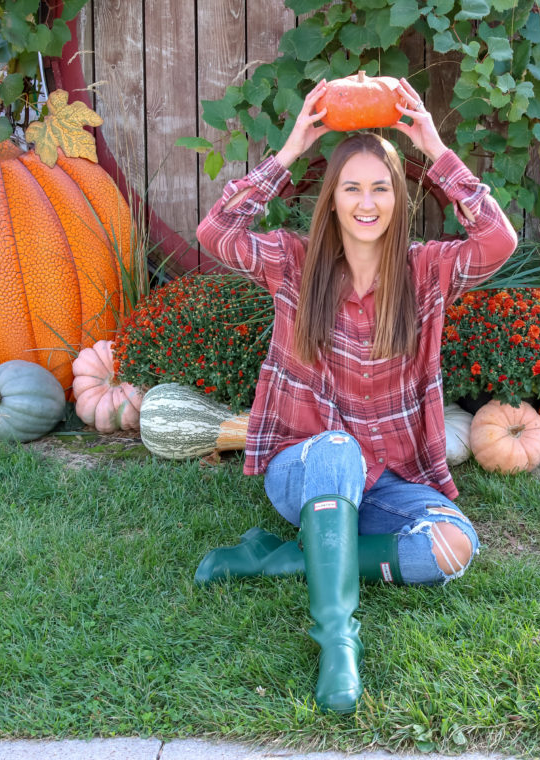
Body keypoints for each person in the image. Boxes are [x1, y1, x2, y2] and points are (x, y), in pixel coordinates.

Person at [193, 78, 518, 714]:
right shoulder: (294, 264)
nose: (366, 203)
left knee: (452, 548)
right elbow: (215, 231)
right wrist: (289, 154)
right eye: (352, 188)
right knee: (337, 449)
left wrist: (433, 148)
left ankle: (283, 559)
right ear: (333, 200)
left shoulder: (424, 272)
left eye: (380, 188)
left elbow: (498, 243)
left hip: (387, 481)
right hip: (307, 469)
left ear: (399, 197)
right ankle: (337, 639)